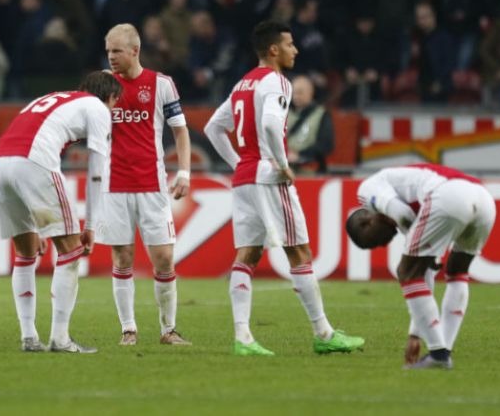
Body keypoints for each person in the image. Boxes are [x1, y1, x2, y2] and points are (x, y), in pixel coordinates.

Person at [203, 21, 365, 356]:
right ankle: (323, 333)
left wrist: (237, 162)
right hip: (268, 176)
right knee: (300, 253)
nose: (296, 50)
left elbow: (212, 128)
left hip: (245, 179)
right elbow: (270, 123)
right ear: (274, 50)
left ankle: (243, 338)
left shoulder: (243, 83)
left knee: (246, 255)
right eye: (290, 44)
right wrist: (282, 163)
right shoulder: (276, 81)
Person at [0, 71, 122, 353]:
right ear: (111, 97)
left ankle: (29, 336)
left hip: (1, 163)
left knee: (25, 254)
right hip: (34, 162)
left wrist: (36, 225)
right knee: (71, 250)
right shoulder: (98, 107)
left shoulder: (51, 99)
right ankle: (60, 338)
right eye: (115, 103)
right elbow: (98, 170)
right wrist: (91, 224)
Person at [345, 163, 497, 369]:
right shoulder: (398, 187)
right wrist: (415, 334)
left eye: (374, 242)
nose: (383, 244)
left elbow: (403, 213)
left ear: (366, 222)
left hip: (449, 196)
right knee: (457, 271)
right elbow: (425, 276)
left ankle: (438, 354)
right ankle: (443, 350)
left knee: (406, 271)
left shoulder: (366, 191)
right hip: (484, 199)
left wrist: (422, 256)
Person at [97, 23, 192, 346]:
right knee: (122, 257)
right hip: (114, 185)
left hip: (152, 185)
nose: (111, 56)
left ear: (135, 51)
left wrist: (184, 172)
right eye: (108, 50)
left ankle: (168, 329)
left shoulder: (161, 84)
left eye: (117, 51)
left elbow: (180, 130)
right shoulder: (103, 85)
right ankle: (128, 329)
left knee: (164, 257)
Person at [287, 75, 335, 174]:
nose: (296, 96)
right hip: (286, 170)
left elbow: (326, 145)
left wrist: (300, 155)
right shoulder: (286, 114)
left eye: (300, 92)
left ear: (310, 93)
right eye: (294, 93)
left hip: (310, 170)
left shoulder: (321, 115)